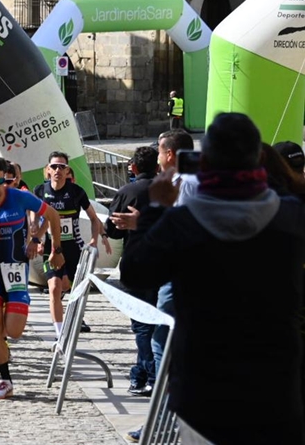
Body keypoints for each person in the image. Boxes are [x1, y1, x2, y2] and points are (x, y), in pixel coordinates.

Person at [121, 113, 305, 444]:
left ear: (205, 161)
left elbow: (135, 272)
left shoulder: (182, 223)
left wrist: (155, 208)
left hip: (204, 381)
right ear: (259, 159)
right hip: (274, 378)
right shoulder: (290, 216)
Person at [0, 156, 62, 399]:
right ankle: (5, 380)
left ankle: (4, 344)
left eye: (1, 181)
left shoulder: (19, 197)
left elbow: (52, 216)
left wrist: (43, 241)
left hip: (17, 270)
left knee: (14, 331)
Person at [34, 151, 108, 340]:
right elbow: (34, 220)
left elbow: (94, 218)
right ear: (48, 170)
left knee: (70, 286)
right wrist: (38, 240)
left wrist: (95, 240)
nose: (58, 170)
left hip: (73, 247)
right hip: (51, 248)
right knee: (54, 287)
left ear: (68, 171)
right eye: (54, 166)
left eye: (62, 167)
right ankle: (60, 334)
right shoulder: (40, 191)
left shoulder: (76, 192)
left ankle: (75, 317)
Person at [105, 145, 159, 399]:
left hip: (137, 264)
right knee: (158, 323)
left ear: (134, 168)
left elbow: (113, 231)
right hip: (165, 264)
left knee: (141, 325)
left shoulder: (128, 191)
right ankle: (143, 372)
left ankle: (148, 375)